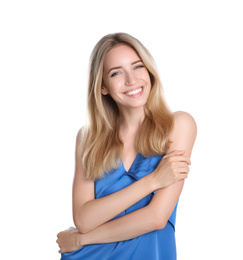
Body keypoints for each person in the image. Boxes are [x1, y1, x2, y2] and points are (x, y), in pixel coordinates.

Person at [56, 32, 197, 259]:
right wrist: (153, 180)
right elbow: (83, 219)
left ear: (149, 71)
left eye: (138, 66)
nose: (132, 80)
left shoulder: (179, 125)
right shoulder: (88, 139)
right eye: (116, 73)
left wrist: (82, 239)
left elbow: (156, 217)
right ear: (103, 86)